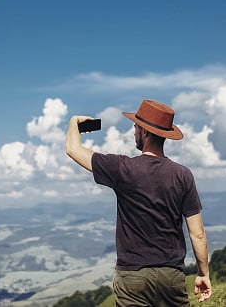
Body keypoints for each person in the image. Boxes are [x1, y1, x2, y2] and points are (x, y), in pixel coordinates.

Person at [66, 99, 212, 305]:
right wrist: (203, 273)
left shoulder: (122, 168)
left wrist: (74, 123)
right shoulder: (183, 175)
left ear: (144, 132)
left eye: (136, 127)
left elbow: (73, 149)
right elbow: (197, 233)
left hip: (132, 276)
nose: (134, 132)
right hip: (170, 276)